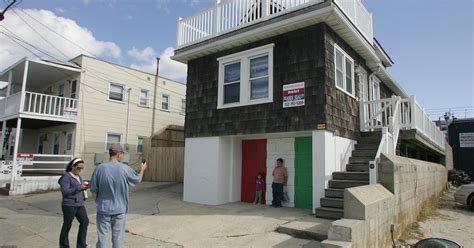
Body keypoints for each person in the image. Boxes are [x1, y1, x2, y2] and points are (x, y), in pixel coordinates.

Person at [90, 144, 147, 248]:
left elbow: (94, 190)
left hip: (103, 209)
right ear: (119, 155)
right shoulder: (124, 168)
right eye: (122, 154)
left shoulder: (99, 168)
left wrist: (99, 202)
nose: (122, 156)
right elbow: (138, 179)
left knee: (102, 237)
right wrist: (142, 169)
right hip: (119, 210)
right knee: (118, 239)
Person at [59, 158, 90, 248]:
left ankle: (81, 245)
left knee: (85, 222)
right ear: (72, 166)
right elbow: (65, 192)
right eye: (78, 168)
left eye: (82, 168)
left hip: (79, 204)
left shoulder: (78, 177)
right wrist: (80, 187)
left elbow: (79, 188)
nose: (80, 170)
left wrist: (84, 190)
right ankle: (64, 245)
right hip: (69, 205)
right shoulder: (66, 177)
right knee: (67, 225)